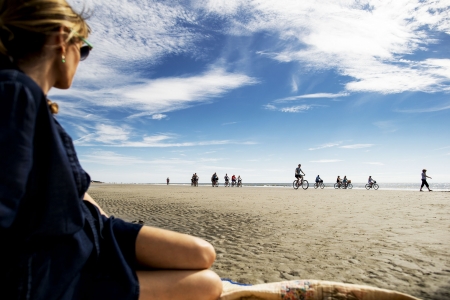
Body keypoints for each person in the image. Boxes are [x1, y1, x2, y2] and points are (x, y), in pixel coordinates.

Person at [0, 1, 222, 299]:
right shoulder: (14, 92)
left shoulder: (38, 106)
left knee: (202, 253)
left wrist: (103, 216)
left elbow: (72, 188)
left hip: (95, 230)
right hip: (57, 262)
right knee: (208, 285)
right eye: (86, 48)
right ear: (62, 39)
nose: (84, 58)